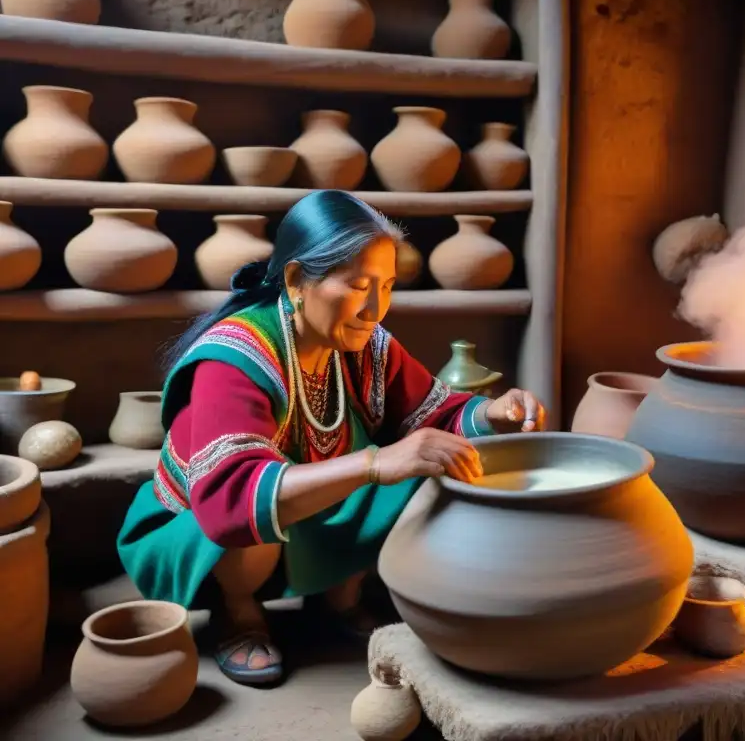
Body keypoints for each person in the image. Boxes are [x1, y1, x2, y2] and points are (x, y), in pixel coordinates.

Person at [116, 190, 546, 687]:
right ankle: (239, 614)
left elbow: (434, 413)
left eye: (386, 286)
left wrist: (495, 413)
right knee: (274, 509)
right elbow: (230, 503)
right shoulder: (233, 359)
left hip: (306, 514)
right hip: (203, 531)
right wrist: (374, 463)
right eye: (359, 285)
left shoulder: (365, 344)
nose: (374, 308)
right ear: (298, 280)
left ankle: (338, 595)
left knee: (431, 464)